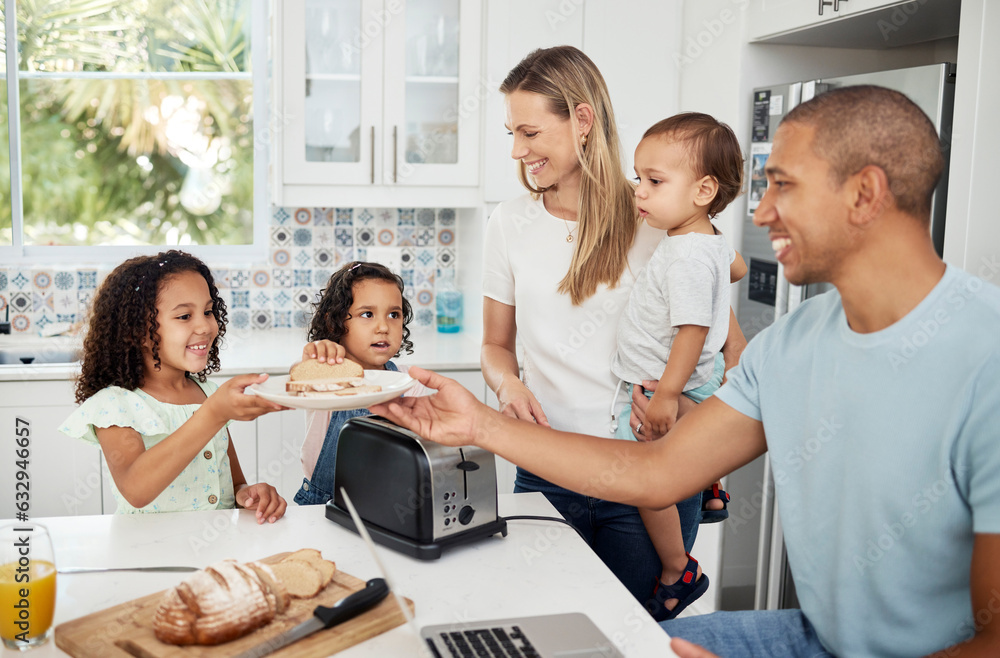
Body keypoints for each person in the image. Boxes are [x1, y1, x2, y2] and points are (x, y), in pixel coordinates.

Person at [373, 85, 1000, 657]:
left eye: (783, 186)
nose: (759, 214)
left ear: (864, 194)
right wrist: (479, 422)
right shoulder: (790, 347)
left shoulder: (984, 358)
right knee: (609, 646)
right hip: (819, 638)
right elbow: (655, 471)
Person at [483, 45, 747, 604]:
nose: (516, 151)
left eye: (529, 133)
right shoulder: (508, 223)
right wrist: (508, 384)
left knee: (641, 631)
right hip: (546, 468)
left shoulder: (657, 216)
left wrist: (697, 423)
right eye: (511, 133)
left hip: (650, 472)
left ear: (582, 120)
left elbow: (727, 347)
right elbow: (494, 346)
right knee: (547, 627)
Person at [612, 112, 744, 621]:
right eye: (638, 179)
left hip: (666, 382)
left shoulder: (686, 255)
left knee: (648, 479)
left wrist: (667, 395)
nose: (640, 193)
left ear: (704, 189)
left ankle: (676, 568)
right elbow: (738, 268)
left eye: (654, 182)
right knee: (691, 444)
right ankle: (710, 483)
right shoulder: (707, 240)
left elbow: (690, 330)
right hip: (698, 378)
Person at [60, 251, 288, 522]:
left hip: (219, 547)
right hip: (149, 553)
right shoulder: (115, 405)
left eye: (207, 311)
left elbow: (234, 484)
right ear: (137, 331)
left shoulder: (208, 394)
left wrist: (248, 494)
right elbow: (136, 489)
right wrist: (213, 413)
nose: (205, 326)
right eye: (184, 316)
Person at [292, 261, 429, 506]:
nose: (383, 327)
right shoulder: (328, 376)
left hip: (390, 504)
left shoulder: (410, 382)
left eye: (394, 314)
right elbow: (299, 378)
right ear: (335, 323)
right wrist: (315, 359)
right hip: (323, 505)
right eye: (367, 314)